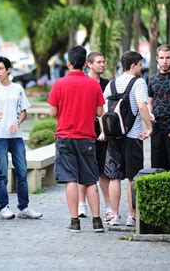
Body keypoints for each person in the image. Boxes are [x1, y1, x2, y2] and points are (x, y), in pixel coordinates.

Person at [47, 46, 105, 233]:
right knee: (90, 180)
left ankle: (75, 222)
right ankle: (97, 222)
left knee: (71, 179)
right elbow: (99, 112)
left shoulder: (59, 84)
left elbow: (52, 112)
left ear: (69, 63)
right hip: (87, 138)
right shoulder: (94, 84)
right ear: (85, 63)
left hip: (65, 137)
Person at [0, 56, 42, 220]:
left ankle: (24, 207)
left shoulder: (18, 89)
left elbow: (24, 112)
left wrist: (17, 122)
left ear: (8, 70)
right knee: (2, 174)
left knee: (21, 172)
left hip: (16, 138)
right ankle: (3, 207)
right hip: (0, 137)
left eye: (1, 68)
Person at [103, 51, 152, 227]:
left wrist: (104, 131)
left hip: (114, 136)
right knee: (133, 177)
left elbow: (103, 108)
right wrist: (149, 126)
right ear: (133, 65)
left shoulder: (112, 83)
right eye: (140, 64)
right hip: (133, 136)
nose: (141, 67)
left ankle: (114, 215)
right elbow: (141, 105)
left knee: (114, 176)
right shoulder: (138, 82)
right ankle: (132, 216)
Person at [77, 52, 112, 218]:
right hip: (85, 129)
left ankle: (108, 205)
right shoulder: (82, 82)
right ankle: (81, 204)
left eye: (103, 62)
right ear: (89, 64)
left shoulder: (107, 84)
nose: (102, 65)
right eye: (99, 62)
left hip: (104, 131)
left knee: (104, 170)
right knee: (84, 168)